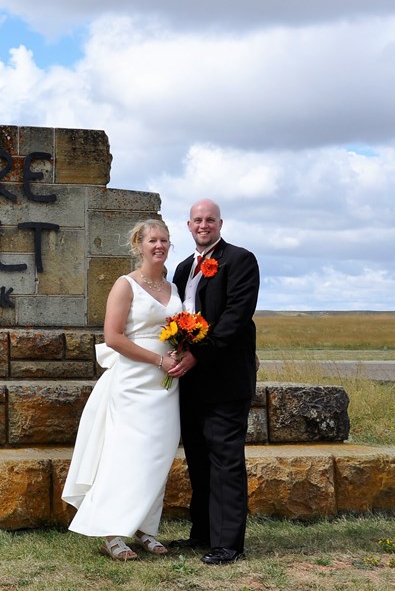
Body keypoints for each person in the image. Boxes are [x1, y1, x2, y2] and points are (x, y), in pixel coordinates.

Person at [62, 219, 182, 560]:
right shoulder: (125, 284)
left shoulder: (173, 288)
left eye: (164, 240)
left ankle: (147, 530)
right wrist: (158, 361)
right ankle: (112, 532)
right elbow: (113, 337)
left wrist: (180, 355)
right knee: (125, 454)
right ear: (139, 245)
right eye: (152, 240)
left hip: (167, 384)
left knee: (158, 455)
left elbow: (181, 330)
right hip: (133, 381)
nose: (159, 246)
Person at [166, 199, 260, 565]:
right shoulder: (182, 268)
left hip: (224, 377)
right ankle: (202, 534)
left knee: (225, 460)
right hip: (190, 380)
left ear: (220, 223)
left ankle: (228, 545)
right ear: (188, 226)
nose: (203, 225)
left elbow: (236, 316)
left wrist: (199, 354)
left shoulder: (240, 260)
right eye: (197, 220)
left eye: (210, 220)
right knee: (198, 459)